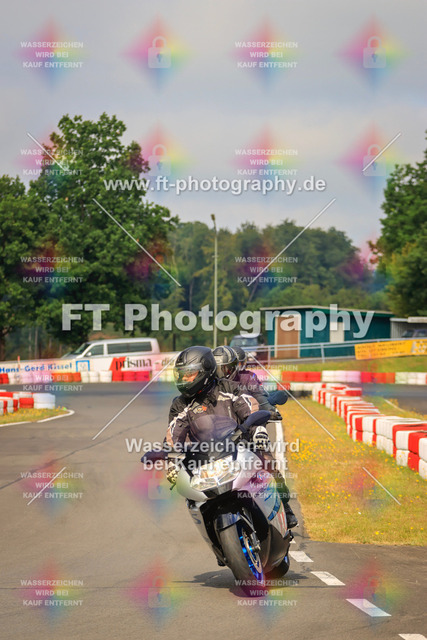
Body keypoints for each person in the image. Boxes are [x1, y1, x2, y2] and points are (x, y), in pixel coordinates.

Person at [212, 345, 298, 529]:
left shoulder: (247, 378)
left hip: (249, 432)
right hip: (221, 438)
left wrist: (269, 410)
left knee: (268, 462)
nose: (221, 372)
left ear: (233, 366)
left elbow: (261, 397)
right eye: (218, 368)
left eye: (225, 368)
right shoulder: (211, 385)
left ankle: (286, 508)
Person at [164, 345, 264, 480]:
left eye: (189, 374)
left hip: (238, 455)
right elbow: (174, 433)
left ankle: (280, 487)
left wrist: (258, 430)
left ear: (205, 371)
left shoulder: (230, 389)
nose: (184, 379)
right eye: (181, 375)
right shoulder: (181, 404)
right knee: (185, 489)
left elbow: (249, 408)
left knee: (264, 464)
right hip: (203, 465)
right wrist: (172, 461)